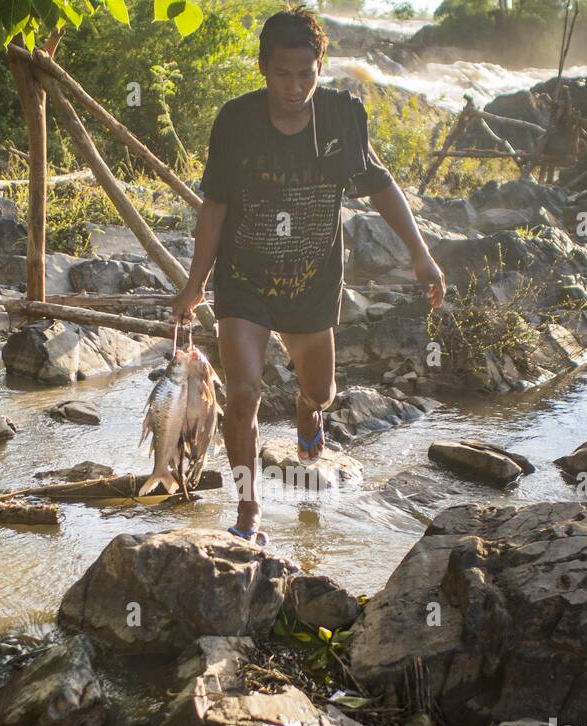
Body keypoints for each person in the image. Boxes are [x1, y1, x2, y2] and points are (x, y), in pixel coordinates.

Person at [171, 7, 446, 544]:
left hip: (313, 282)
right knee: (245, 391)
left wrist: (421, 253)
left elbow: (381, 184)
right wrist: (194, 282)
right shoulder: (236, 121)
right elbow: (215, 205)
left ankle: (307, 413)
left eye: (306, 73)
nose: (294, 86)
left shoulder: (343, 116)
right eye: (282, 73)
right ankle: (247, 512)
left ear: (322, 66)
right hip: (244, 279)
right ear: (262, 67)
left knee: (320, 391)